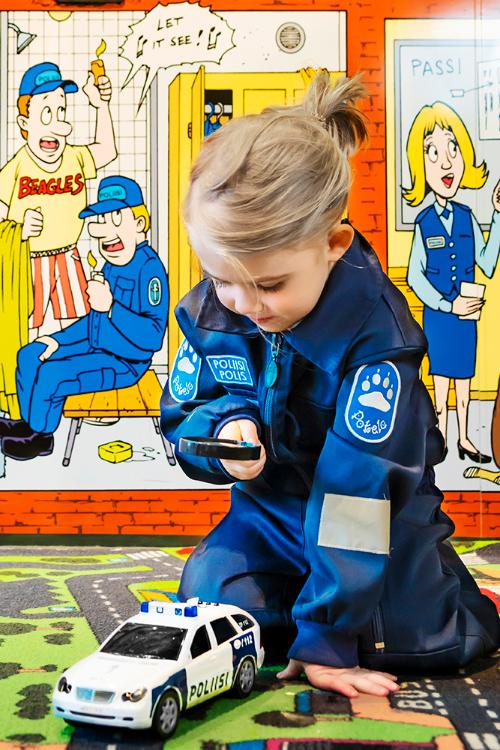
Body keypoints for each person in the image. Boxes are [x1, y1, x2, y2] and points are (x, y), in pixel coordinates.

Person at [160, 74, 499, 697]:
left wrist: (327, 640)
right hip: (268, 516)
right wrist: (221, 428)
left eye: (269, 285)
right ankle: (309, 607)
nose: (244, 304)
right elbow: (183, 410)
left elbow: (356, 498)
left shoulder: (378, 342)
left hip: (375, 521)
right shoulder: (215, 311)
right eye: (221, 278)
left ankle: (436, 584)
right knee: (215, 607)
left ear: (333, 245)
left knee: (423, 642)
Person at [0, 176, 168, 461]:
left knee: (53, 375)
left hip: (126, 361)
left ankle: (41, 435)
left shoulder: (149, 270)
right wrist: (57, 340)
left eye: (116, 219)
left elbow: (152, 337)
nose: (105, 232)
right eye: (100, 222)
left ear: (139, 225)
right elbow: (94, 321)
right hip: (96, 344)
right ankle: (25, 423)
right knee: (31, 354)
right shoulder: (111, 265)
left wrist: (112, 307)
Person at [405, 102, 500, 463]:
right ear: (420, 164)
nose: (445, 162)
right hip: (441, 317)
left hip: (467, 319)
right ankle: (441, 439)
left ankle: (465, 439)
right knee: (441, 382)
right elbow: (416, 276)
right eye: (433, 152)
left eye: (452, 148)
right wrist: (447, 304)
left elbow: (488, 263)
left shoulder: (468, 216)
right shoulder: (424, 221)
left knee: (465, 382)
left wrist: (497, 215)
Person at [0, 61, 117, 340]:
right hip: (30, 261)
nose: (57, 122)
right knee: (30, 324)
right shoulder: (18, 165)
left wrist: (101, 106)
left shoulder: (74, 157)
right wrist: (17, 227)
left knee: (77, 322)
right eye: (46, 112)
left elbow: (107, 151)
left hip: (68, 255)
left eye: (61, 110)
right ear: (25, 124)